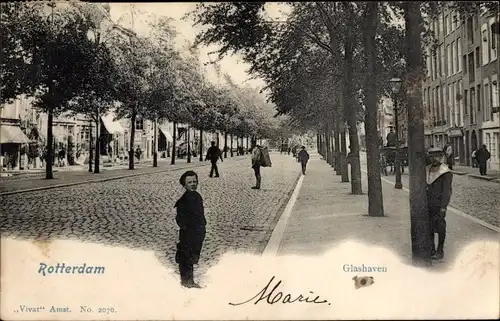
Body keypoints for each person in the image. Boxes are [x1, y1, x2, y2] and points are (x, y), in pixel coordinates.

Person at [174, 170, 206, 288]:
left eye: (195, 182)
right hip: (188, 233)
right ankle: (186, 282)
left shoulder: (197, 196)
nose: (193, 184)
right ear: (184, 185)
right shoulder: (183, 201)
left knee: (192, 257)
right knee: (185, 256)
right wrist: (186, 227)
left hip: (197, 233)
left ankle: (190, 280)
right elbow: (180, 218)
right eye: (189, 182)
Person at [426, 148, 453, 260]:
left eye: (437, 156)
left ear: (441, 157)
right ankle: (431, 249)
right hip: (428, 203)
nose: (434, 159)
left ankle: (440, 250)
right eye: (432, 157)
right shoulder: (427, 170)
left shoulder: (445, 172)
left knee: (440, 227)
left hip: (439, 204)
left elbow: (447, 191)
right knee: (429, 227)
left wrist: (443, 207)